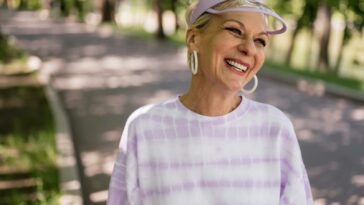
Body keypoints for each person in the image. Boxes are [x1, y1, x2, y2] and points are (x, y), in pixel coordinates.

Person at [107, 0, 313, 204]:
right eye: (235, 30)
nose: (249, 49)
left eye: (260, 41)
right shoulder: (143, 127)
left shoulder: (275, 128)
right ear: (194, 38)